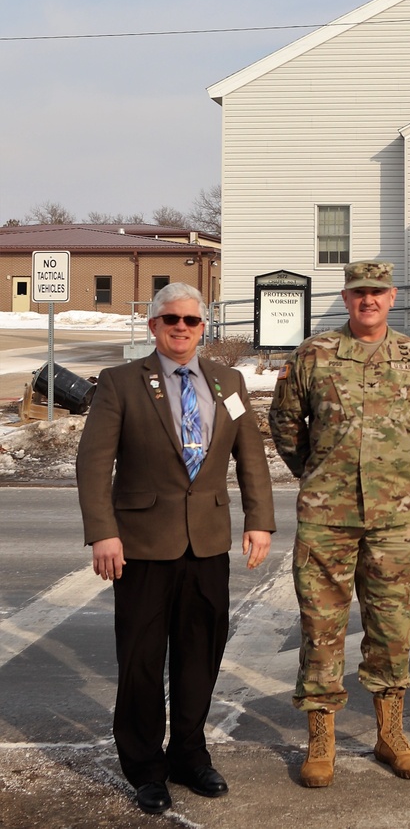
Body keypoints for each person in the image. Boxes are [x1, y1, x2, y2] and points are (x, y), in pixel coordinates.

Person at [76, 282, 274, 816]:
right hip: (139, 544)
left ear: (203, 327)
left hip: (206, 541)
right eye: (171, 320)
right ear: (154, 326)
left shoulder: (228, 381)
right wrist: (103, 531)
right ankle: (145, 767)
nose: (181, 327)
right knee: (141, 659)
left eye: (191, 319)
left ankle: (189, 753)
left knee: (199, 655)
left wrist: (260, 520)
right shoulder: (121, 383)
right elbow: (94, 463)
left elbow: (250, 457)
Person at [269, 260, 410, 787]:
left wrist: (400, 472)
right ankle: (320, 739)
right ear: (346, 298)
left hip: (395, 517)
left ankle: (390, 734)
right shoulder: (314, 354)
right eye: (358, 292)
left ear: (392, 297)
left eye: (377, 292)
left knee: (392, 630)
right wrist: (316, 475)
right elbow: (284, 420)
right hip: (328, 517)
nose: (368, 300)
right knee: (321, 628)